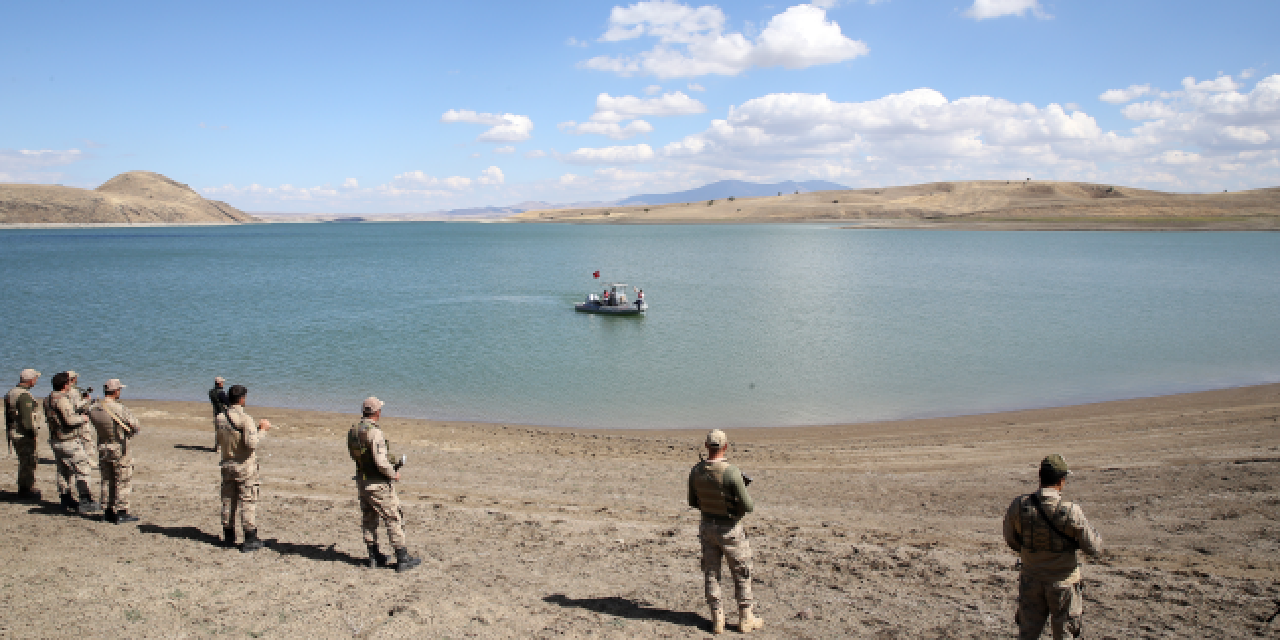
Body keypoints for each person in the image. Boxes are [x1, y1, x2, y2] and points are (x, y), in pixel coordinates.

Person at [1003, 454, 1103, 640]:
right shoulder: (1072, 511)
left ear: (1040, 477)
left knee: (1027, 634)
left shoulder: (1019, 506)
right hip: (1063, 584)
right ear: (1061, 480)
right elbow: (1093, 548)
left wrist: (1033, 554)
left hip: (1031, 580)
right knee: (1064, 634)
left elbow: (1012, 540)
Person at [688, 429, 763, 634]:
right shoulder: (731, 472)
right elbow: (749, 506)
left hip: (707, 528)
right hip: (730, 530)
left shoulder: (696, 471)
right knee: (741, 571)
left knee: (711, 572)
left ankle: (717, 618)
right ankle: (746, 617)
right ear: (726, 446)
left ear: (706, 446)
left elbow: (692, 502)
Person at [347, 397, 422, 572]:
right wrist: (393, 474)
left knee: (369, 519)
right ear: (377, 412)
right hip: (378, 483)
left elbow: (356, 455)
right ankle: (402, 559)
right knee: (393, 518)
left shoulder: (353, 430)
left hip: (363, 481)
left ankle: (373, 556)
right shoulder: (374, 432)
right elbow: (380, 461)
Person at [215, 384, 271, 551]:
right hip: (244, 466)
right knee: (247, 500)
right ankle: (250, 538)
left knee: (228, 500)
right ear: (242, 399)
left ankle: (228, 535)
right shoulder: (245, 419)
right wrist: (262, 430)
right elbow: (251, 444)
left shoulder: (220, 417)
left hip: (227, 464)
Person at [86, 379, 141, 524]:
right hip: (118, 447)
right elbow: (135, 425)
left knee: (106, 479)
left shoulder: (94, 407)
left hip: (103, 445)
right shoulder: (118, 408)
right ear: (116, 391)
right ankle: (122, 511)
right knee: (122, 479)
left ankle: (107, 510)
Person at [44, 371, 100, 514]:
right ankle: (85, 500)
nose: (70, 385)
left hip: (56, 439)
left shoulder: (47, 398)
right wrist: (83, 419)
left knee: (63, 470)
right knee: (83, 469)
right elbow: (69, 420)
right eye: (69, 382)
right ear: (65, 385)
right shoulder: (62, 399)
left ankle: (65, 497)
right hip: (68, 440)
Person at [4, 369, 44, 500]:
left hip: (14, 431)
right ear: (31, 380)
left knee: (24, 461)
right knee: (28, 461)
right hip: (23, 434)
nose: (36, 381)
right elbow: (27, 420)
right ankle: (26, 489)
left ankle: (25, 488)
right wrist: (32, 434)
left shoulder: (11, 392)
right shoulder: (24, 396)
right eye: (35, 379)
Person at [66, 371, 97, 462]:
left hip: (69, 416)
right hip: (78, 417)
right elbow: (77, 405)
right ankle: (87, 459)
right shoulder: (73, 391)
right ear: (73, 379)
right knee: (85, 438)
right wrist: (87, 401)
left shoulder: (63, 390)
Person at [209, 376, 229, 451]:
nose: (223, 384)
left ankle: (217, 446)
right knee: (224, 429)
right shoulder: (221, 393)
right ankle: (221, 447)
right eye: (222, 382)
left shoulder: (211, 392)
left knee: (218, 429)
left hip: (216, 412)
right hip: (222, 412)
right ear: (220, 383)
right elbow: (227, 402)